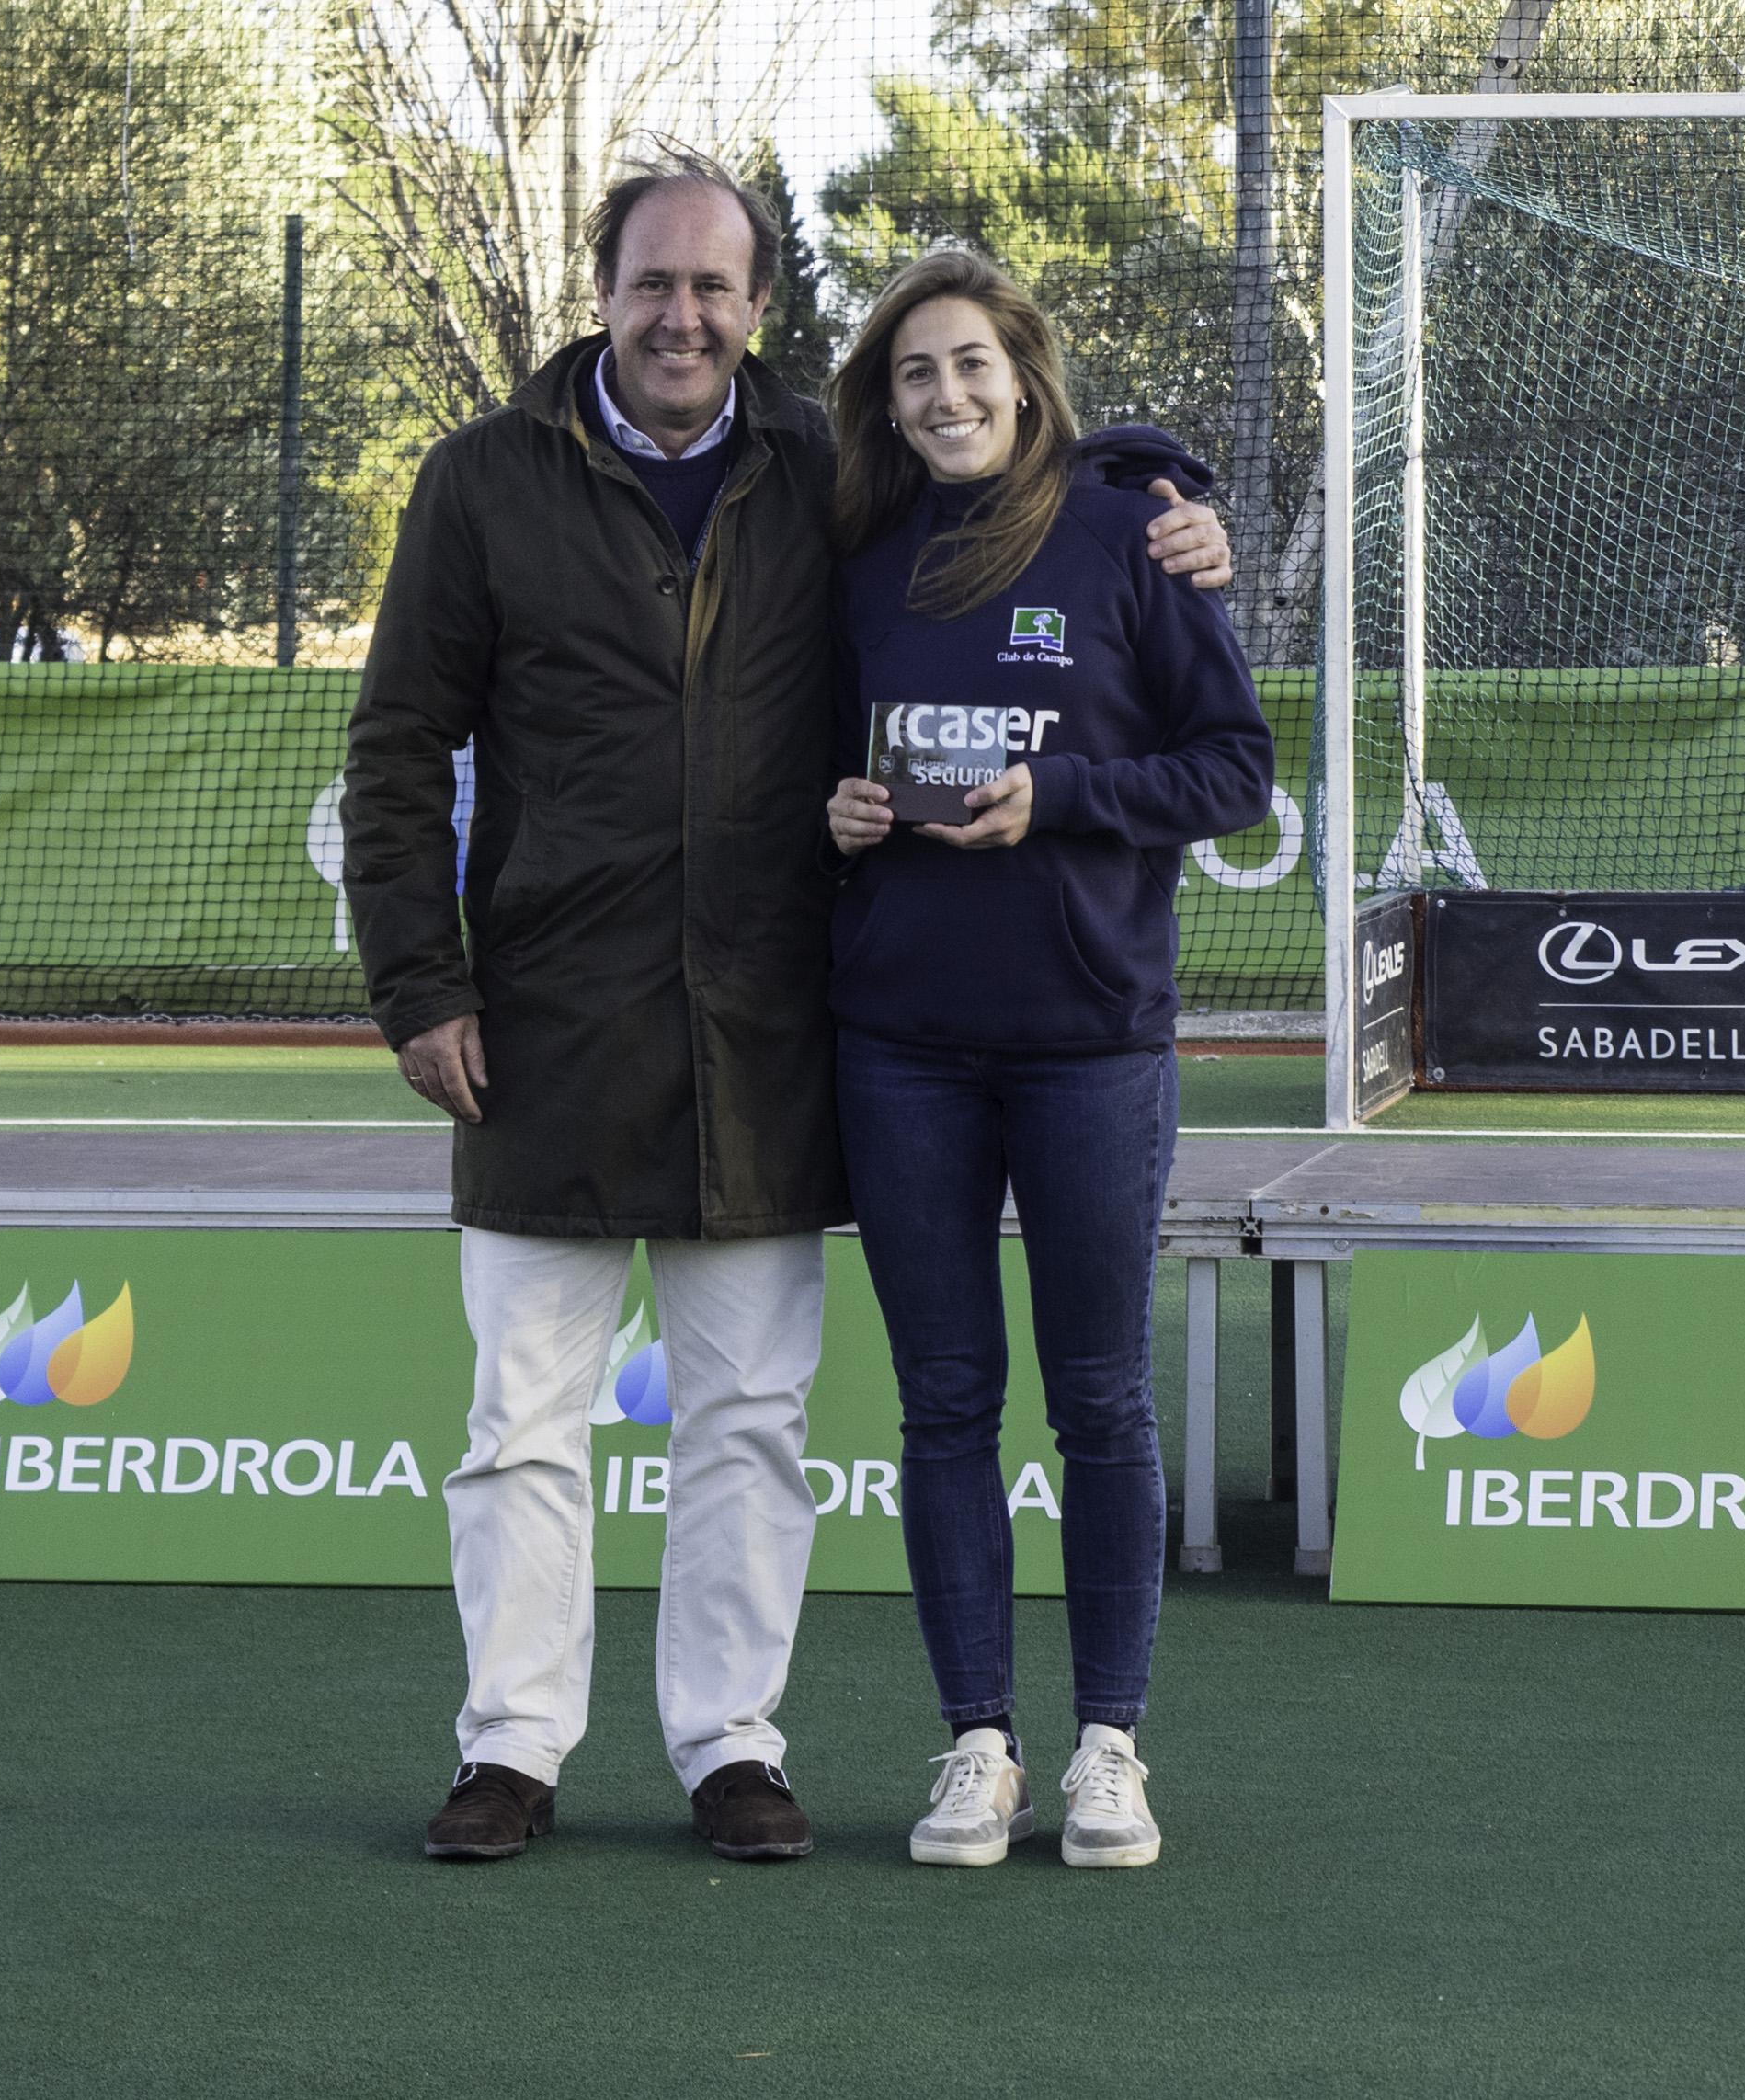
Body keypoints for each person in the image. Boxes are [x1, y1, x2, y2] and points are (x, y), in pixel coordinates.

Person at [341, 146, 1236, 1866]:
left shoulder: (830, 477)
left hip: (768, 1031)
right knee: (520, 1421)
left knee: (746, 1420)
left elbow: (1016, 468)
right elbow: (396, 755)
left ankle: (727, 1748)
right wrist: (418, 984)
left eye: (713, 288)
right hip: (538, 1027)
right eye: (650, 283)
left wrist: (1165, 485)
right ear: (600, 293)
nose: (680, 316)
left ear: (759, 309)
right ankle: (512, 1748)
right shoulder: (477, 482)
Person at [825, 249, 1273, 1869]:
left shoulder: (1128, 531)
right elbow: (818, 765)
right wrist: (845, 811)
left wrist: (1066, 796)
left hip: (1090, 1047)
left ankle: (1105, 1747)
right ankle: (976, 1748)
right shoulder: (857, 552)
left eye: (968, 366)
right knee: (943, 1404)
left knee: (1098, 1400)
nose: (943, 397)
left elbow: (1234, 770)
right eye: (911, 375)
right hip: (898, 1051)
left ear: (1023, 376)